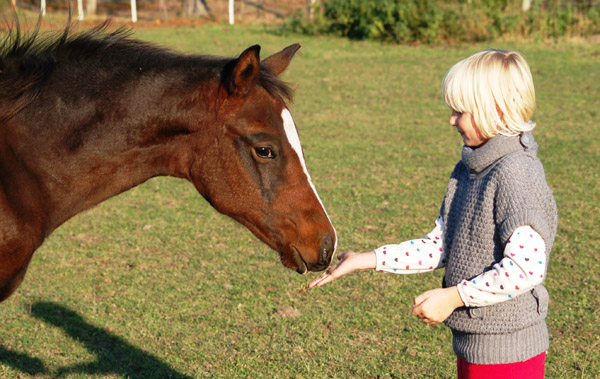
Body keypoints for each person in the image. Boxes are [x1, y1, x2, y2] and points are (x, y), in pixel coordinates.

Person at [308, 49, 558, 379]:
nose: (451, 120)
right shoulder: (469, 169)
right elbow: (439, 245)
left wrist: (453, 297)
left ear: (494, 111)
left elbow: (525, 269)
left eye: (460, 111)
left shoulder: (515, 173)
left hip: (508, 355)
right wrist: (366, 259)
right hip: (475, 347)